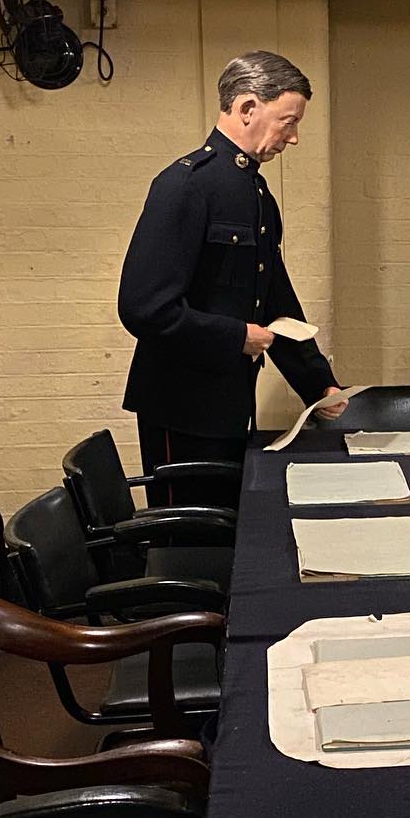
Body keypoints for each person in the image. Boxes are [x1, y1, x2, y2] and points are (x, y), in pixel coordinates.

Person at [118, 50, 347, 507]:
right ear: (247, 108)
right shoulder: (185, 185)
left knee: (226, 529)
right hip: (180, 408)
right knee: (189, 539)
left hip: (227, 403)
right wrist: (236, 336)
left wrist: (318, 383)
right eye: (288, 121)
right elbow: (144, 307)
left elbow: (275, 299)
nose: (294, 137)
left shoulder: (254, 190)